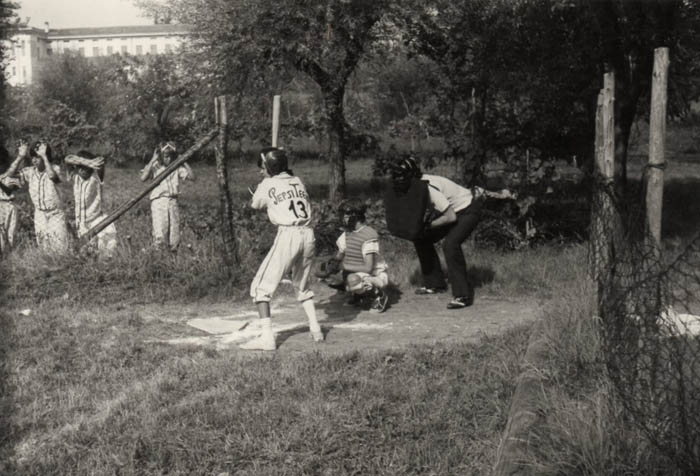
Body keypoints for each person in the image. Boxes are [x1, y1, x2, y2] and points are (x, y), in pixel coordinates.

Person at [389, 156, 512, 309]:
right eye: (396, 175)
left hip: (467, 210)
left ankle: (462, 295)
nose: (399, 179)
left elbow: (450, 216)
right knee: (421, 238)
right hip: (453, 211)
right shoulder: (411, 188)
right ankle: (435, 284)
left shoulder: (427, 187)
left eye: (402, 175)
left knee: (451, 245)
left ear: (412, 175)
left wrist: (428, 225)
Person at [242, 147, 322, 351]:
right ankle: (316, 330)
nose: (261, 171)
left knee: (260, 288)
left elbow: (255, 204)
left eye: (263, 168)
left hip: (288, 235)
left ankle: (267, 338)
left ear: (270, 167)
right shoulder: (298, 181)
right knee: (302, 286)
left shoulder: (267, 183)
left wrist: (261, 185)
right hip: (308, 234)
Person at [3, 140, 71, 254]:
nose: (34, 160)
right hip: (39, 214)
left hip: (55, 214)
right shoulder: (30, 172)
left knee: (60, 249)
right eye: (33, 157)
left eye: (37, 157)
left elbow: (52, 176)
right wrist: (20, 156)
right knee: (44, 248)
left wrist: (44, 156)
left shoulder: (55, 168)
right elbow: (9, 175)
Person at [334, 200, 389, 313]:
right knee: (328, 277)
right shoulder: (347, 234)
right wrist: (328, 268)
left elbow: (368, 268)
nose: (342, 218)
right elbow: (338, 258)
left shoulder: (368, 235)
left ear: (355, 216)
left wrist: (344, 266)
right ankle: (359, 296)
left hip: (375, 274)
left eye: (345, 215)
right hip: (358, 271)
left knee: (352, 280)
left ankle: (379, 296)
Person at [140, 141, 195, 251]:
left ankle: (173, 257)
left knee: (174, 232)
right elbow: (143, 178)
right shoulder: (155, 166)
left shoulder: (176, 167)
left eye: (170, 156)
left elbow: (192, 177)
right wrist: (152, 160)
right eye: (165, 156)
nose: (168, 159)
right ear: (160, 156)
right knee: (160, 231)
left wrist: (183, 162)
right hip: (159, 201)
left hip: (172, 201)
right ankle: (159, 256)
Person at [64, 151, 118, 259]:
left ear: (91, 168)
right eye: (79, 167)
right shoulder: (75, 178)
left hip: (95, 220)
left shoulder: (96, 178)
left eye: (85, 167)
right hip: (82, 223)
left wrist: (89, 164)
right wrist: (86, 162)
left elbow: (101, 163)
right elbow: (67, 159)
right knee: (85, 255)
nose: (81, 169)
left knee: (103, 253)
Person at [0, 145, 19, 255]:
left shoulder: (11, 174)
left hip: (10, 204)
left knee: (11, 234)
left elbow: (9, 190)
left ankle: (11, 257)